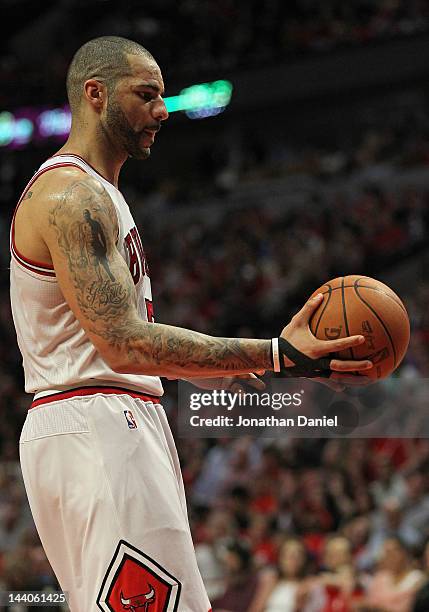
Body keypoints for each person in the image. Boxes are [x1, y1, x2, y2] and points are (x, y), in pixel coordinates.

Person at [9, 35, 372, 611]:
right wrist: (275, 353)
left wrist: (194, 365)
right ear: (95, 95)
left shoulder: (94, 192)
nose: (162, 110)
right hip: (99, 424)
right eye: (146, 94)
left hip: (95, 422)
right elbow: (124, 343)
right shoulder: (72, 195)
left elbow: (115, 339)